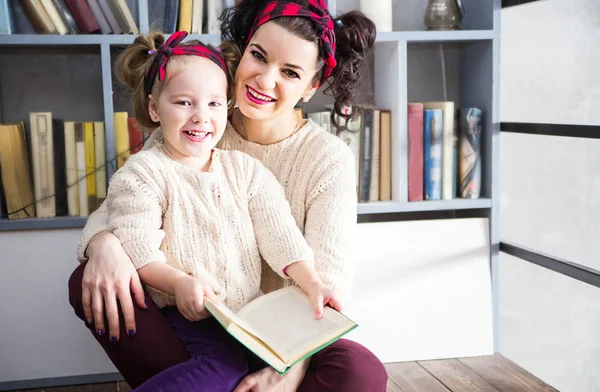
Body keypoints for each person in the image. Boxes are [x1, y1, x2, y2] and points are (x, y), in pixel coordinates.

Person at [68, 0, 388, 390]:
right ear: (242, 51)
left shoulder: (324, 158)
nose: (265, 80)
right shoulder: (194, 129)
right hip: (199, 317)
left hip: (285, 333)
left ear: (312, 87)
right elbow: (125, 203)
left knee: (360, 369)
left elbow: (324, 276)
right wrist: (104, 244)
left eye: (289, 72)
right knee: (88, 275)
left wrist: (288, 369)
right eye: (258, 56)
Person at [102, 30, 343, 391]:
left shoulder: (244, 169)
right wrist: (180, 283)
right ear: (154, 108)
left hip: (248, 317)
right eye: (184, 103)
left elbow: (280, 235)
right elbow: (136, 247)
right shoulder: (143, 172)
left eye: (214, 104)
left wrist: (312, 281)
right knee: (222, 369)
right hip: (189, 315)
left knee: (279, 367)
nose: (201, 117)